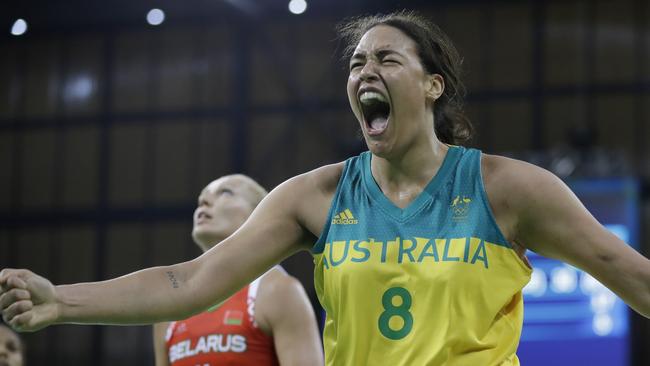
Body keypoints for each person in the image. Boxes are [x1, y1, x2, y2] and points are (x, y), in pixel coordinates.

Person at [1, 10, 650, 366]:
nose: (366, 68)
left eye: (388, 58)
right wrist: (61, 300)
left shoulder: (505, 188)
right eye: (357, 62)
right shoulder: (315, 196)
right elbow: (186, 283)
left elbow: (625, 269)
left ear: (432, 86)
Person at [152, 174, 323, 366]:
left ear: (258, 213)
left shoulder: (277, 290)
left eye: (226, 192)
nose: (204, 201)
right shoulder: (171, 311)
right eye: (202, 198)